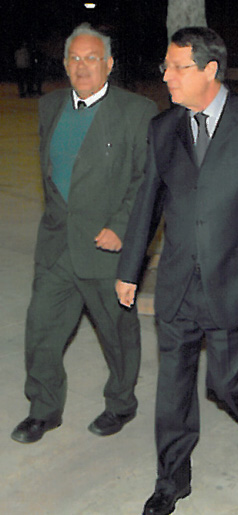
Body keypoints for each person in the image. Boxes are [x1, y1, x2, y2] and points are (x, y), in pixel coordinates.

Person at [116, 26, 238, 515]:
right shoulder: (163, 128)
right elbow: (148, 203)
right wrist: (130, 269)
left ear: (210, 70)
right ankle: (171, 480)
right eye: (166, 67)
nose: (167, 77)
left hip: (236, 279)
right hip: (178, 282)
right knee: (173, 388)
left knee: (228, 385)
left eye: (178, 67)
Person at [11, 24, 157, 444]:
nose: (82, 66)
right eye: (74, 58)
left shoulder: (136, 111)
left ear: (109, 64)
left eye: (92, 58)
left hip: (105, 248)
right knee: (41, 330)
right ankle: (43, 409)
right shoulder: (50, 106)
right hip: (57, 245)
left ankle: (121, 403)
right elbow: (54, 172)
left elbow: (147, 180)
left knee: (117, 336)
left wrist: (123, 227)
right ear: (64, 64)